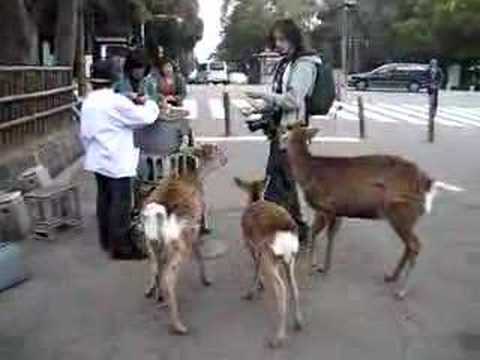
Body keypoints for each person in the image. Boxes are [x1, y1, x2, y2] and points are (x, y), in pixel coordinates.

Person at [244, 18, 321, 247]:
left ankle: (272, 230)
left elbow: (292, 100)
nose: (278, 44)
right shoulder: (288, 63)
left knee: (276, 183)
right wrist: (262, 108)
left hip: (293, 133)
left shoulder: (304, 64)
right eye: (275, 39)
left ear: (294, 39)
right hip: (280, 131)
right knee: (284, 181)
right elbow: (281, 98)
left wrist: (263, 97)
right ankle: (298, 229)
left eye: (282, 39)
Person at [80, 59, 160, 260]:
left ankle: (106, 240)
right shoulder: (115, 102)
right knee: (120, 203)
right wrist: (150, 102)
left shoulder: (89, 100)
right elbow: (144, 118)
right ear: (114, 78)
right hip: (116, 159)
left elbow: (84, 134)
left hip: (97, 158)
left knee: (104, 200)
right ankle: (122, 247)